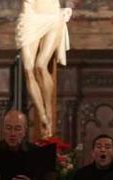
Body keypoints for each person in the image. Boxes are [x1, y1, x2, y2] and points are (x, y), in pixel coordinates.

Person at [15, 0, 72, 137]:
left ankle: (49, 113)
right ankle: (43, 116)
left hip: (52, 14)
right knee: (28, 69)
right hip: (30, 14)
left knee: (40, 65)